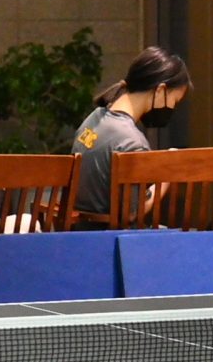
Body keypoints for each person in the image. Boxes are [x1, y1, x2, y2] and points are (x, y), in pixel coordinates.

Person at [71, 46, 192, 229]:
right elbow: (134, 212)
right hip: (111, 237)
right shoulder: (131, 141)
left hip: (81, 232)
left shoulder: (94, 118)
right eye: (174, 101)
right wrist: (169, 171)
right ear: (160, 91)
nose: (172, 109)